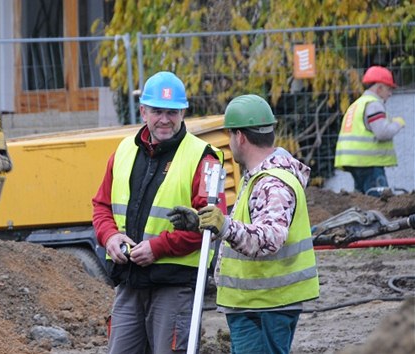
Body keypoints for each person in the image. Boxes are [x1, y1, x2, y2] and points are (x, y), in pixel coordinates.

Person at [168, 94, 320, 354]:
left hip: (265, 306)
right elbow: (247, 227)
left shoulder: (272, 183)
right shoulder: (258, 178)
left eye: (230, 136)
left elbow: (270, 237)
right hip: (256, 304)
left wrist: (224, 225)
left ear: (240, 137)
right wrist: (203, 224)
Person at [91, 71, 226, 354]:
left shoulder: (204, 157)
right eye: (157, 111)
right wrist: (110, 237)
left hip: (174, 285)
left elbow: (209, 225)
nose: (164, 119)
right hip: (130, 283)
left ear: (183, 112)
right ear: (143, 112)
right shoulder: (124, 150)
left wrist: (158, 247)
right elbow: (102, 206)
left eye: (172, 112)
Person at [334, 65, 405, 195]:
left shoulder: (357, 104)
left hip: (354, 162)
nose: (390, 93)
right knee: (379, 201)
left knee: (363, 202)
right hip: (369, 162)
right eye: (388, 89)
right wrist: (397, 124)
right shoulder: (374, 104)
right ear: (379, 88)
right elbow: (382, 133)